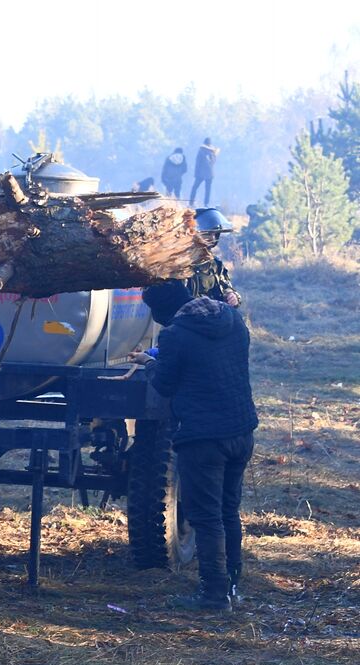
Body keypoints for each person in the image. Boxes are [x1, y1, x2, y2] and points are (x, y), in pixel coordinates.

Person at [135, 280, 257, 612]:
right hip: (241, 430)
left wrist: (149, 362)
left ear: (163, 309)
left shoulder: (174, 335)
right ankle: (232, 587)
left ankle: (214, 595)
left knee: (205, 517)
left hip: (203, 437)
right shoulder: (233, 321)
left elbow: (164, 385)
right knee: (228, 511)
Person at [189, 138, 219, 206]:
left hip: (200, 173)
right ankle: (206, 203)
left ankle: (191, 202)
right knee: (208, 189)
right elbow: (213, 162)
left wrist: (195, 173)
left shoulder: (201, 151)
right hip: (210, 173)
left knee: (194, 187)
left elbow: (197, 163)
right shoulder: (213, 152)